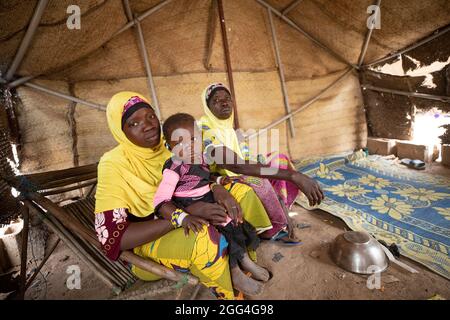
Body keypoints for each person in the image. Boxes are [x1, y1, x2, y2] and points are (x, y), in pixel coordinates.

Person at [94, 92, 272, 299]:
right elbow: (113, 238)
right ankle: (230, 287)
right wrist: (184, 213)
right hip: (148, 245)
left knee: (240, 192)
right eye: (134, 123)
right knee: (204, 235)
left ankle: (243, 258)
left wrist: (217, 187)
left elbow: (196, 178)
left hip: (186, 211)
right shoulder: (113, 164)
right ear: (120, 131)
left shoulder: (168, 148)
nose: (149, 125)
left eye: (150, 116)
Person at [154, 113, 271, 291]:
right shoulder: (173, 167)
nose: (188, 146)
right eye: (179, 142)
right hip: (189, 208)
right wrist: (183, 218)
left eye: (193, 139)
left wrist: (217, 182)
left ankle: (244, 259)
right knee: (219, 234)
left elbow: (204, 178)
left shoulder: (201, 158)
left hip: (207, 198)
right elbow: (161, 201)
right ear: (168, 145)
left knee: (233, 223)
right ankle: (234, 272)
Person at [199, 83, 324, 243]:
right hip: (218, 178)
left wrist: (264, 165)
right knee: (260, 182)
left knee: (280, 160)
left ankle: (282, 208)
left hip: (239, 169)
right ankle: (274, 227)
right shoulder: (205, 128)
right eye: (217, 100)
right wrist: (293, 176)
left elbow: (246, 157)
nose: (224, 103)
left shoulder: (229, 129)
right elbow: (236, 165)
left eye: (227, 99)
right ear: (208, 107)